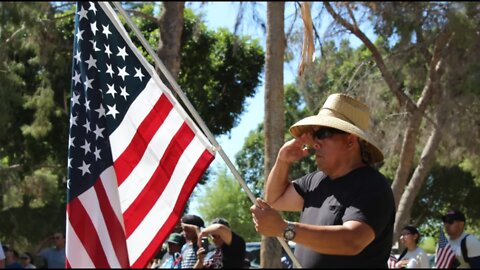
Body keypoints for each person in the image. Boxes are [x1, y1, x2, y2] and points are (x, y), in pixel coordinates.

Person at [250, 93, 396, 268]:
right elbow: (275, 199)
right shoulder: (315, 181)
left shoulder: (372, 185)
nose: (315, 143)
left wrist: (285, 229)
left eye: (323, 133)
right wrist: (282, 161)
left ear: (350, 140)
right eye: (314, 135)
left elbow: (352, 241)